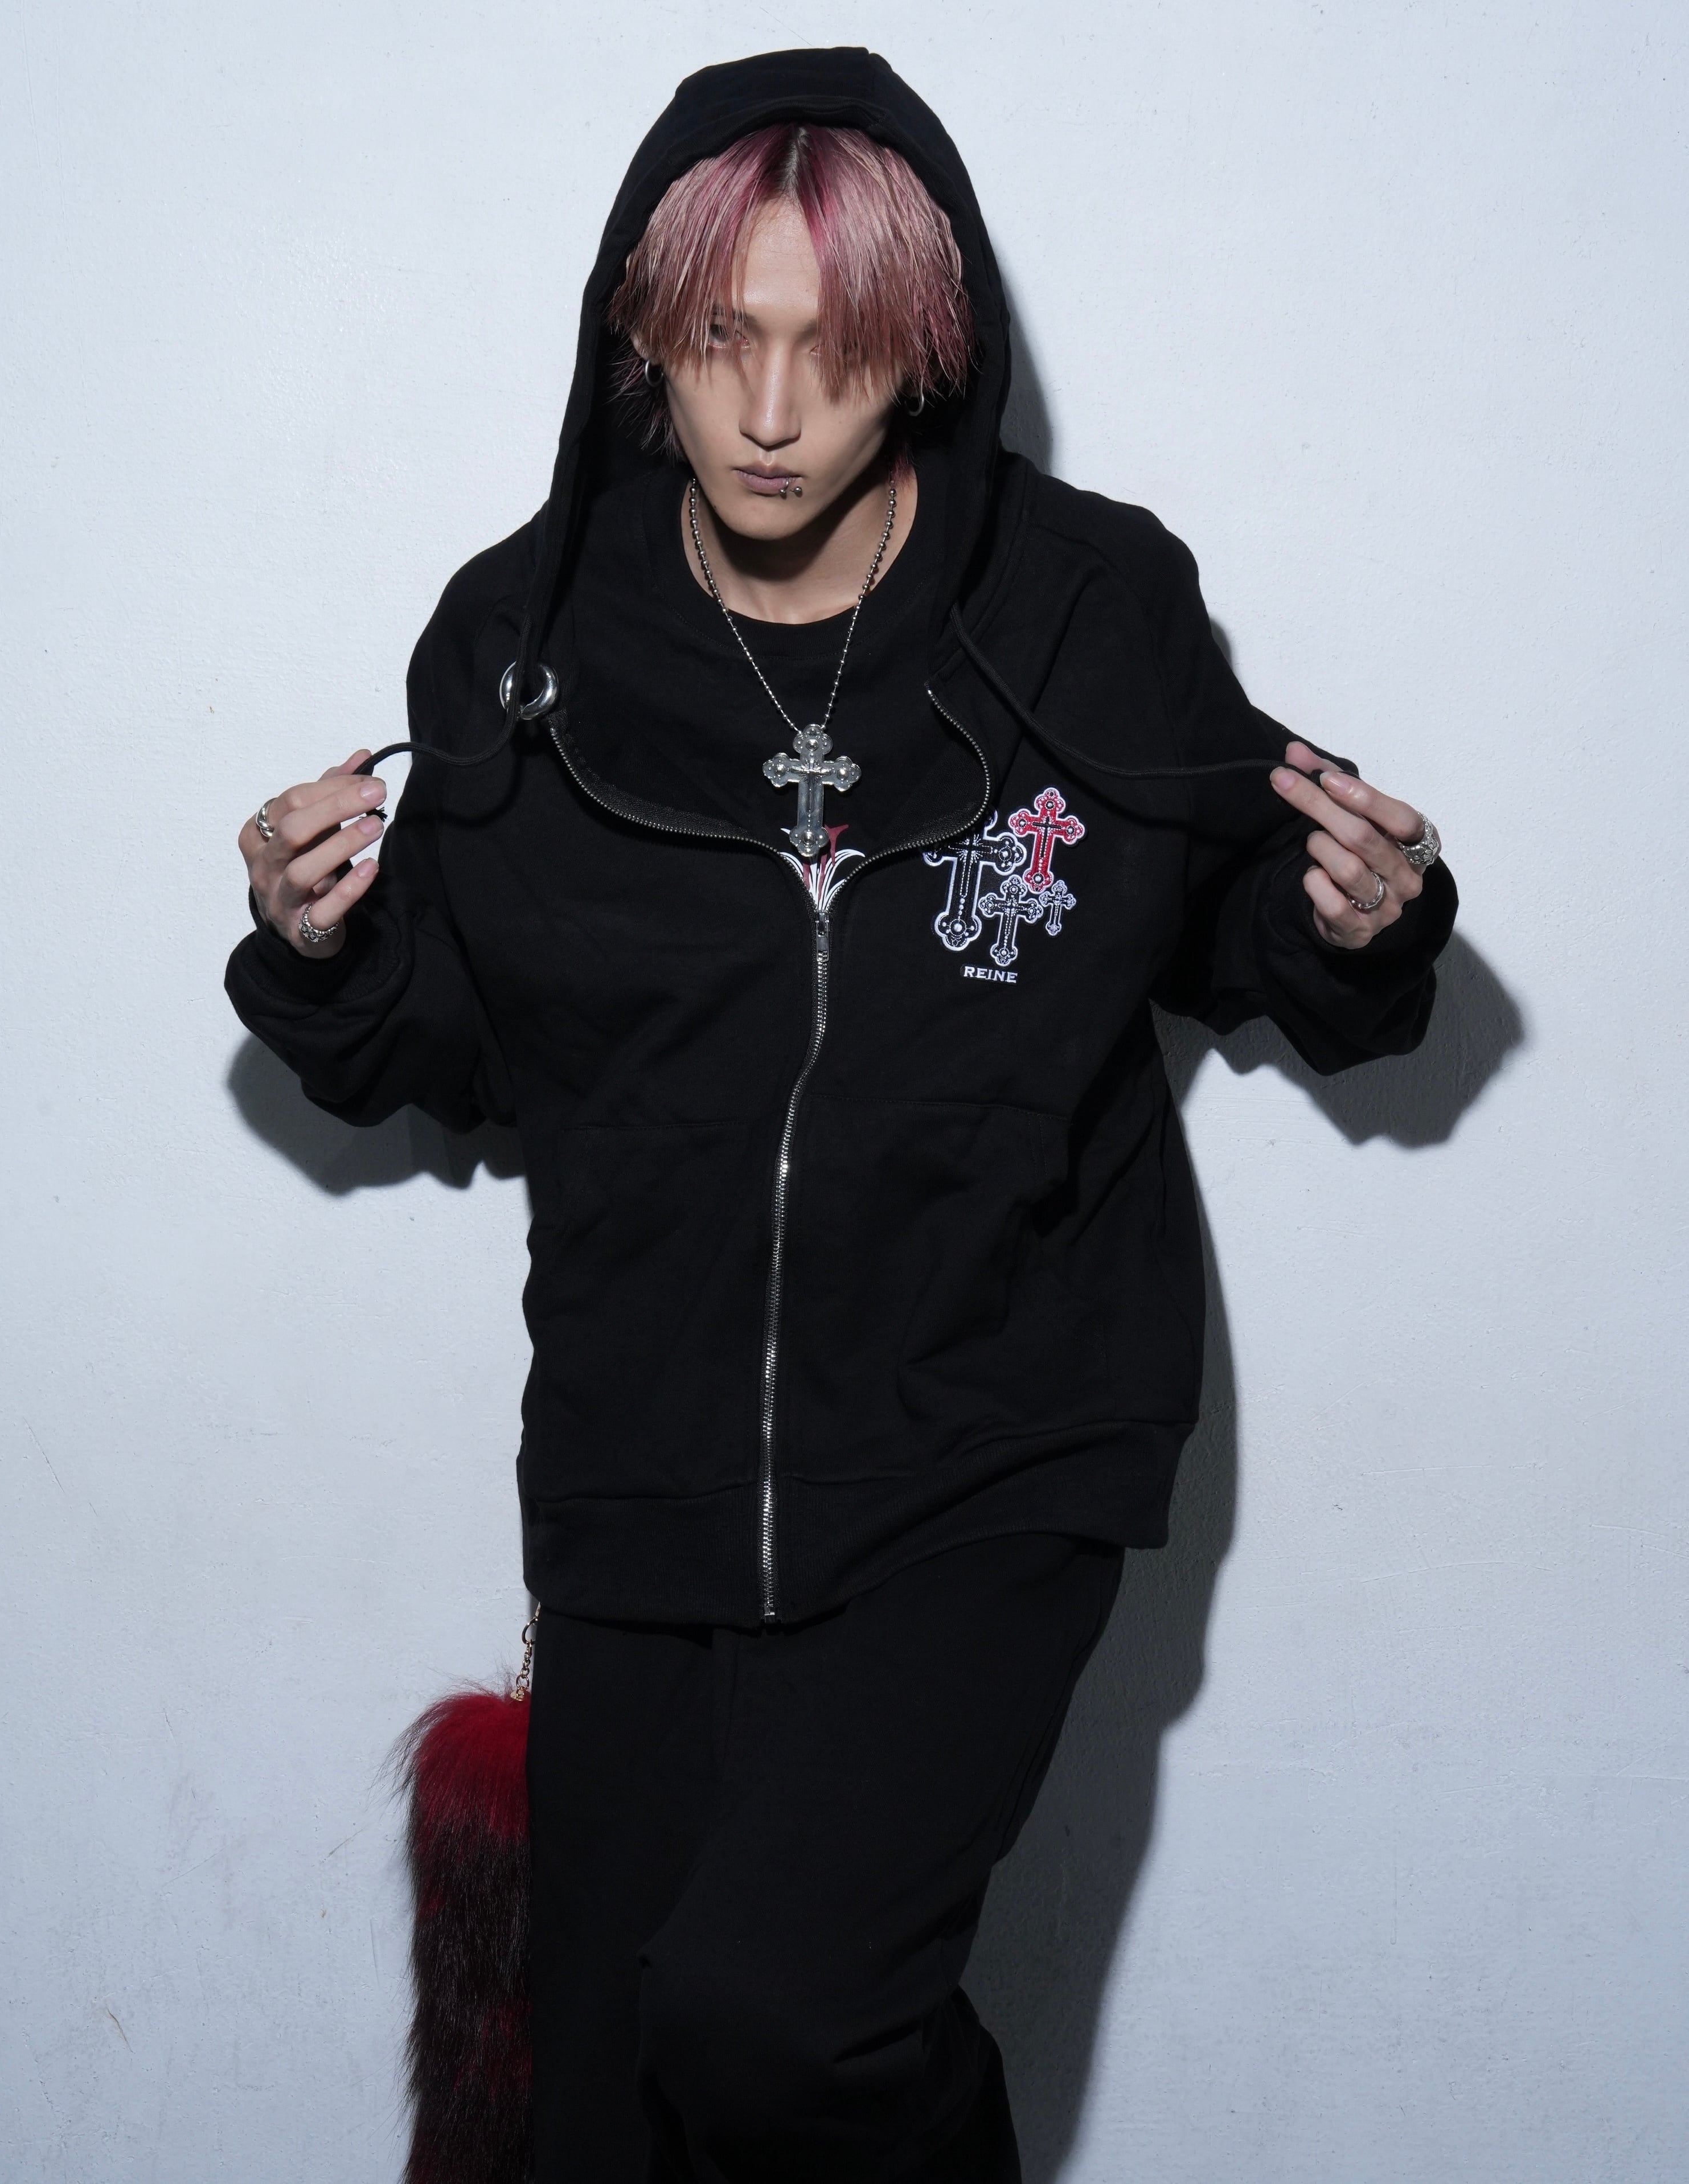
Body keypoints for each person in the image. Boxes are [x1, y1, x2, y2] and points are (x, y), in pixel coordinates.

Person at [226, 46, 1456, 2183]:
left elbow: (1244, 907)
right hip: (642, 1460)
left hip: (992, 1434)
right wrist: (325, 947)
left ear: (931, 349)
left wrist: (1361, 914)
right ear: (643, 333)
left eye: (839, 346)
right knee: (607, 2112)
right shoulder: (521, 646)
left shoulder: (1086, 610)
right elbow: (467, 1048)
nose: (775, 412)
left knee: (778, 2026)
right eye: (725, 339)